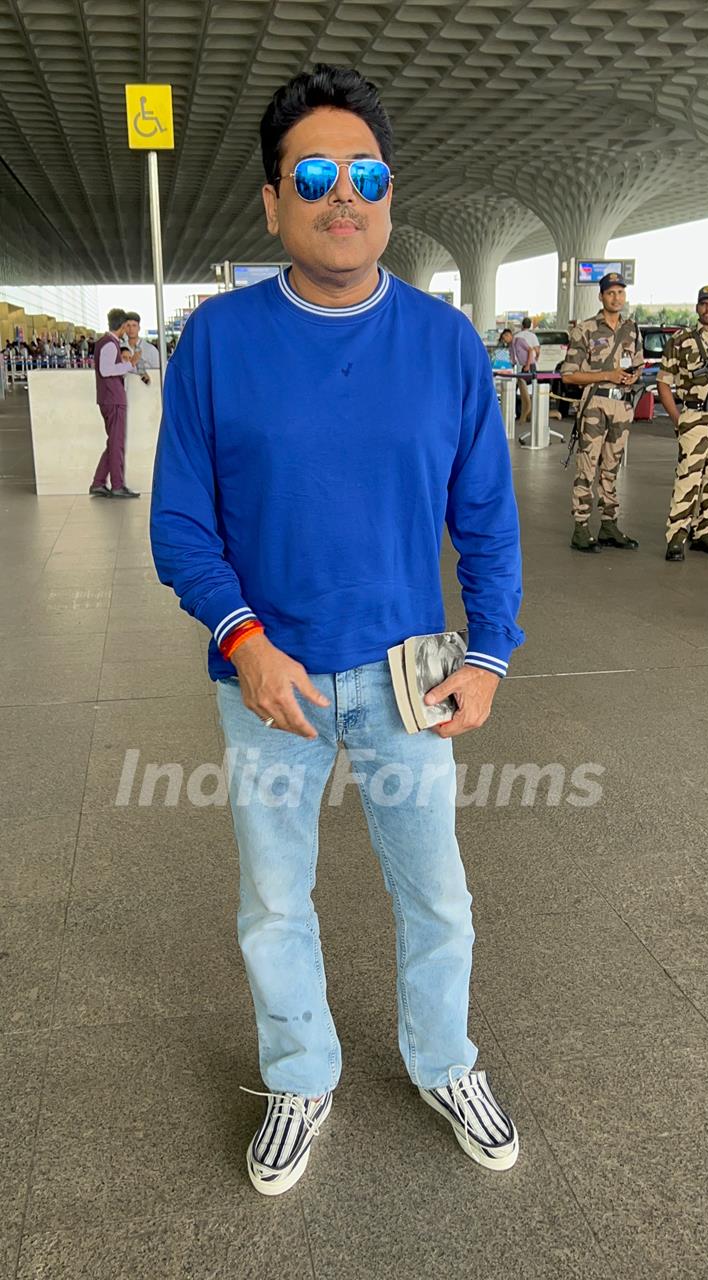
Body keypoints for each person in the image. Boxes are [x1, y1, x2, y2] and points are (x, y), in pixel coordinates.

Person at [151, 63, 524, 1197]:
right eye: (313, 173)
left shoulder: (448, 344)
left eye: (364, 173)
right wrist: (245, 642)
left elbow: (487, 519)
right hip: (271, 677)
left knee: (438, 892)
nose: (341, 194)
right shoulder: (217, 343)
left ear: (390, 195)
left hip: (412, 671)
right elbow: (180, 524)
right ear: (272, 202)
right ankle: (301, 1072)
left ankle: (442, 1058)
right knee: (275, 896)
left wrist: (489, 652)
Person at [561, 272, 643, 552]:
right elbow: (569, 376)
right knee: (587, 465)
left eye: (620, 292)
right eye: (611, 292)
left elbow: (638, 363)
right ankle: (581, 527)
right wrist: (607, 373)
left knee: (611, 467)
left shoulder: (632, 328)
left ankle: (609, 525)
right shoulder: (585, 329)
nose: (616, 297)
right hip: (596, 403)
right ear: (601, 296)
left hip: (622, 405)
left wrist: (634, 377)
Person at [657, 284, 708, 561]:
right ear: (697, 308)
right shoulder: (681, 340)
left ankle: (704, 531)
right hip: (694, 417)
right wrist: (678, 418)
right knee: (687, 478)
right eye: (704, 303)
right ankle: (676, 537)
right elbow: (663, 382)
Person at [89, 308, 141, 498]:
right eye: (127, 325)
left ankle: (98, 482)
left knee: (113, 442)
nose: (129, 328)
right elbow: (106, 370)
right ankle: (117, 485)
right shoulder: (110, 344)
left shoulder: (105, 342)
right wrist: (131, 363)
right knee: (117, 444)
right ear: (121, 326)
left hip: (108, 398)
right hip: (114, 400)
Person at [511, 317, 539, 424]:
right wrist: (536, 359)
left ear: (522, 325)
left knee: (518, 390)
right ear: (530, 325)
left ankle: (519, 413)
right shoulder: (533, 336)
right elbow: (536, 350)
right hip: (531, 365)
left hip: (520, 365)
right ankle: (532, 413)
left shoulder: (517, 336)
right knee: (533, 389)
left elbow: (514, 354)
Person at [121, 311, 160, 384]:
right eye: (128, 325)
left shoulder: (150, 349)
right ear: (124, 328)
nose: (131, 329)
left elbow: (159, 372)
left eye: (134, 325)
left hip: (146, 391)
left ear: (139, 328)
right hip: (125, 391)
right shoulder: (119, 348)